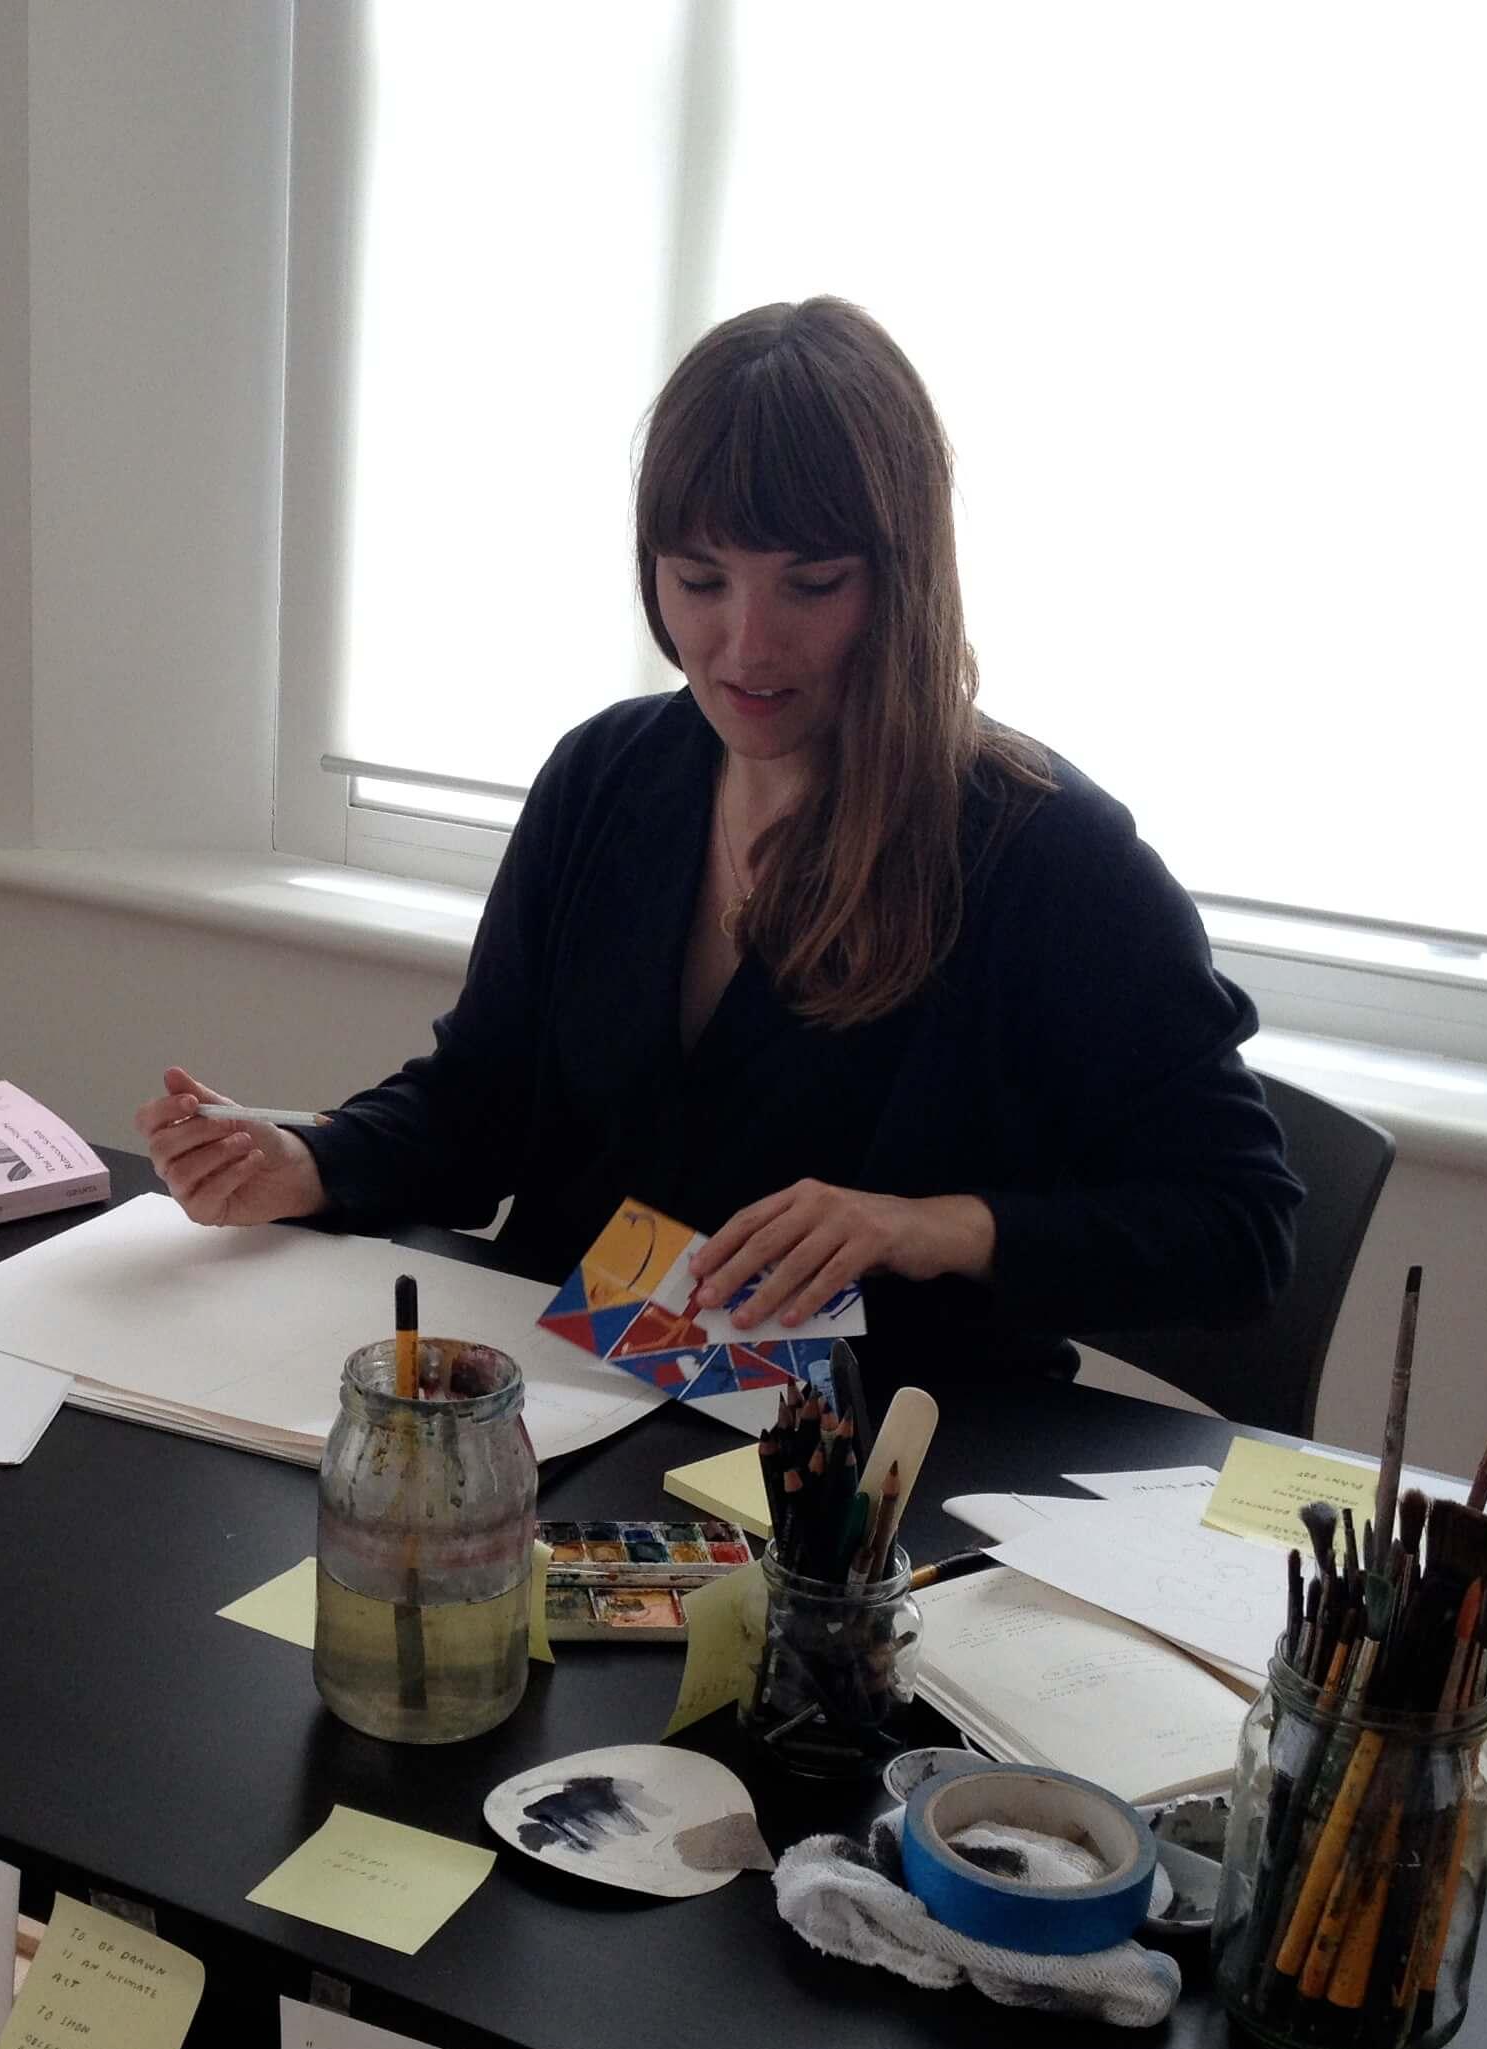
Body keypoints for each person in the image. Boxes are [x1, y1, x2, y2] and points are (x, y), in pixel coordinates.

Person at [138, 298, 1299, 1383]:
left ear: (902, 581)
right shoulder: (607, 777)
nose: (746, 645)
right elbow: (483, 1102)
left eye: (812, 586)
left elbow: (1242, 1228)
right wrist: (311, 1160)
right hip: (576, 1389)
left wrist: (927, 1227)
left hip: (879, 1457)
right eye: (701, 581)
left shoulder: (1046, 856)